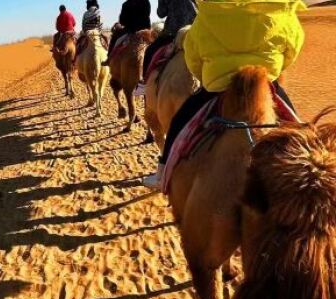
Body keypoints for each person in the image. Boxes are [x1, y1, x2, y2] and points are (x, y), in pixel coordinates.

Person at [143, 0, 305, 189]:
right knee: (298, 127)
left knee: (180, 120)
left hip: (216, 83)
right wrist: (273, 73)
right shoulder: (281, 8)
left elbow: (193, 58)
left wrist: (207, 79)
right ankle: (305, 166)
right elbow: (292, 50)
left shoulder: (208, 10)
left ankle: (162, 173)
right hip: (264, 80)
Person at [137, 0, 197, 94]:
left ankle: (145, 84)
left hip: (173, 30)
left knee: (150, 50)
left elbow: (161, 13)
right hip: (195, 27)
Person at [102, 0, 152, 66]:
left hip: (130, 30)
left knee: (115, 37)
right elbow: (147, 15)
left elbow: (122, 21)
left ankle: (109, 59)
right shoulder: (146, 2)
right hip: (146, 31)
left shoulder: (126, 4)